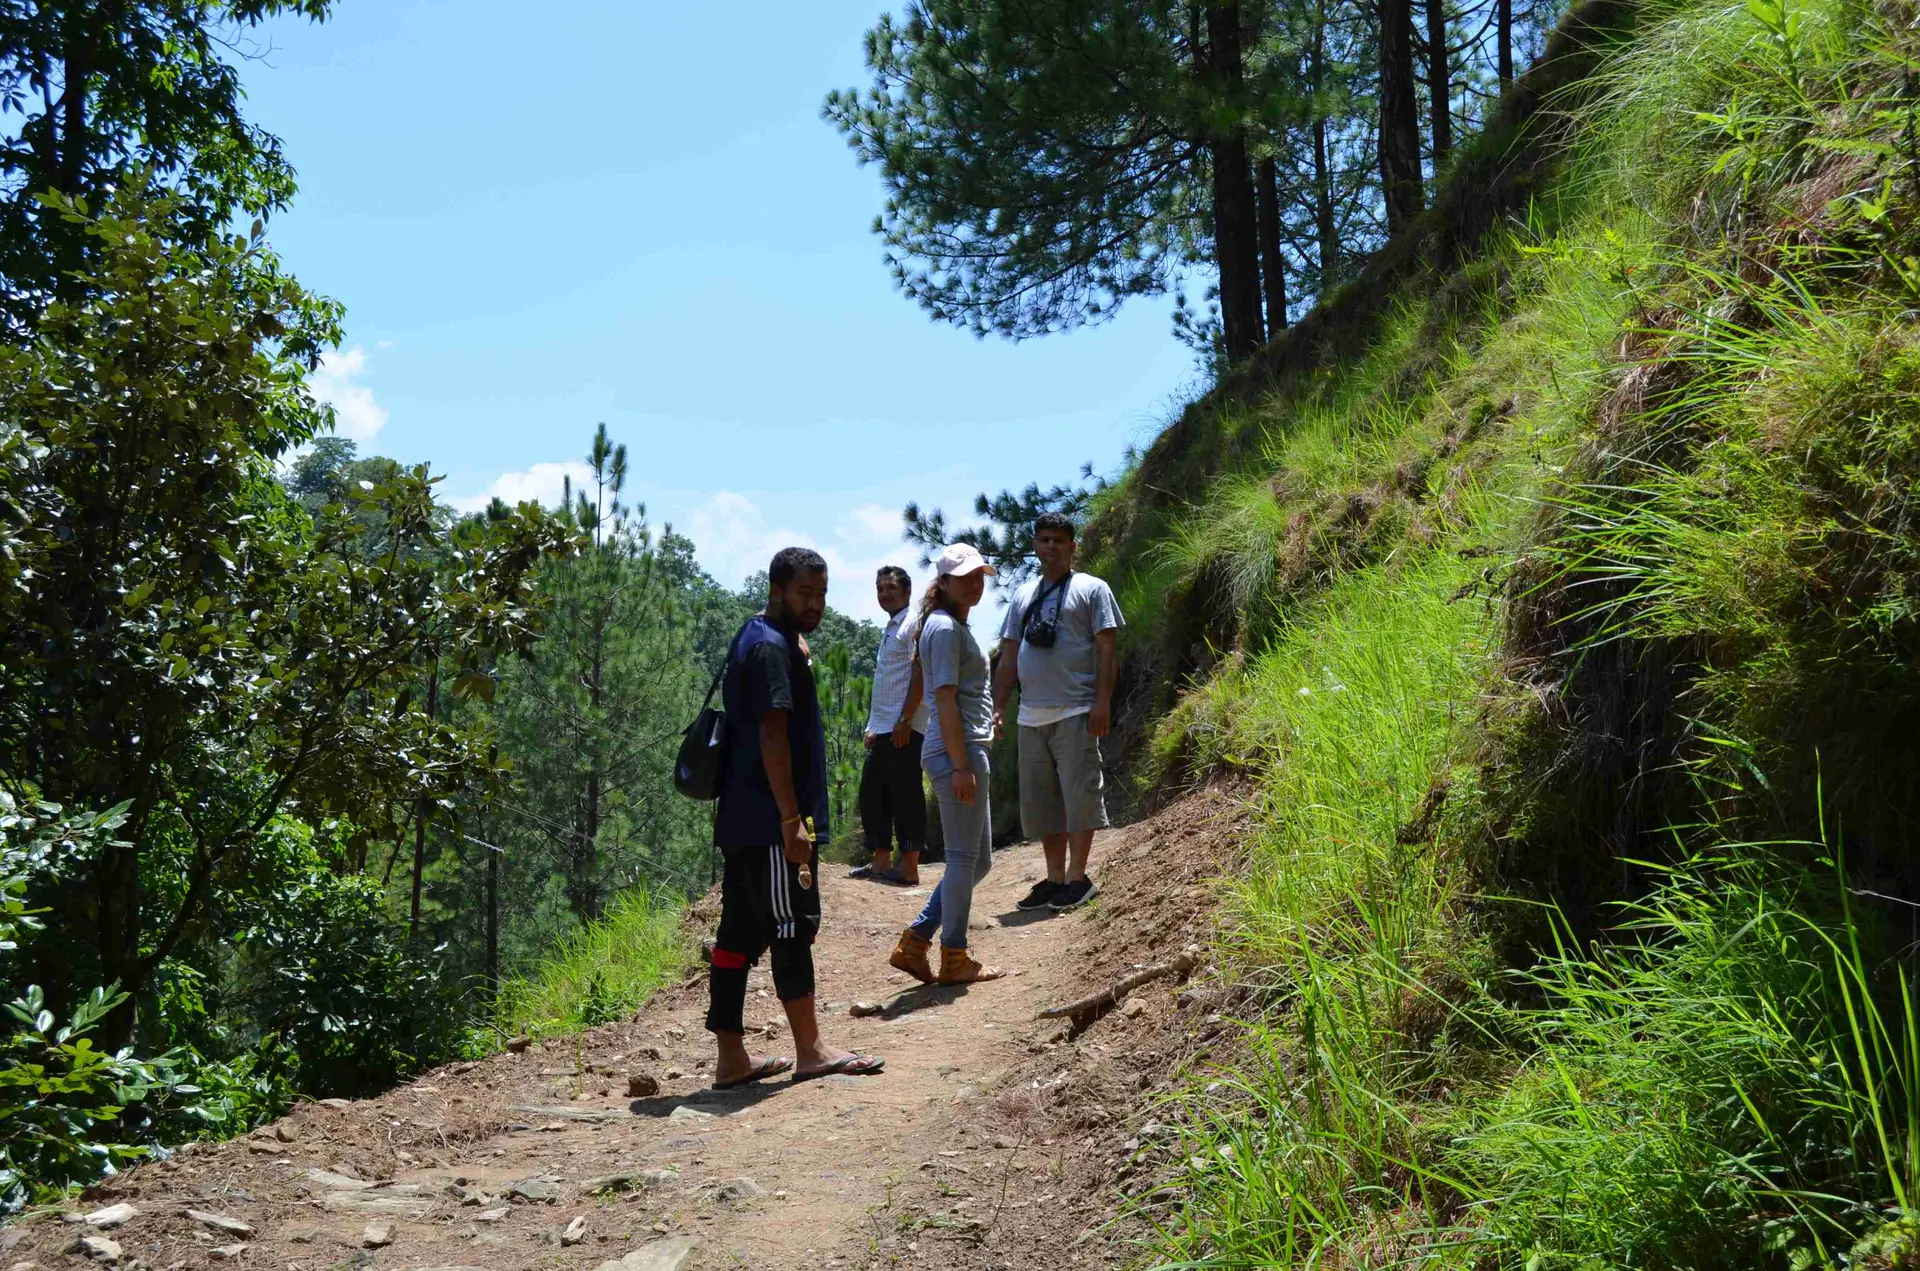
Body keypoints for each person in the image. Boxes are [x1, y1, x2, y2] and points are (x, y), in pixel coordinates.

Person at [707, 547, 885, 1087]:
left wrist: (795, 646)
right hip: (770, 821)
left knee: (737, 935)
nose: (816, 604)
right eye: (804, 593)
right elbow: (773, 733)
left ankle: (732, 1060)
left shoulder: (760, 635)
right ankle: (810, 1050)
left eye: (822, 594)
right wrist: (791, 821)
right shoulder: (770, 648)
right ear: (777, 591)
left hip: (741, 816)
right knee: (792, 924)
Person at [887, 543, 1008, 986]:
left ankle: (916, 941)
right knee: (962, 859)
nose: (976, 583)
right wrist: (960, 765)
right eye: (965, 577)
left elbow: (960, 695)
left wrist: (985, 720)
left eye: (979, 575)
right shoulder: (943, 627)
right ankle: (953, 956)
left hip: (966, 746)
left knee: (978, 862)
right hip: (957, 752)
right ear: (943, 582)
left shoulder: (950, 626)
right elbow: (943, 698)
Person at [993, 512, 1124, 912]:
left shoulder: (1092, 589)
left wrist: (1102, 702)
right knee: (1043, 805)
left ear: (1072, 546)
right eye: (1044, 539)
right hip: (1031, 716)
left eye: (1058, 540)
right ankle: (1054, 879)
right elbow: (1009, 656)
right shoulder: (1023, 595)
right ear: (1035, 545)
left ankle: (1078, 877)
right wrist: (997, 707)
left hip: (1076, 709)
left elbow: (1106, 649)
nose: (1050, 546)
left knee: (1079, 797)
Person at [849, 565, 928, 885]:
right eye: (880, 588)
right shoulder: (891, 626)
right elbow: (887, 681)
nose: (885, 594)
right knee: (873, 793)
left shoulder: (913, 624)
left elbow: (921, 673)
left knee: (906, 794)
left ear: (907, 591)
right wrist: (873, 725)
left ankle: (909, 866)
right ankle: (880, 862)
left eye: (891, 588)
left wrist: (906, 720)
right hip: (883, 726)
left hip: (904, 726)